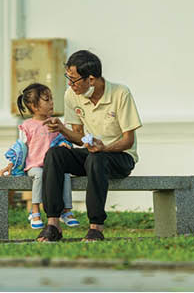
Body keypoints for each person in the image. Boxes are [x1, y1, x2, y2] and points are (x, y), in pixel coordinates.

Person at [36, 49, 142, 242]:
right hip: (92, 154)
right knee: (55, 154)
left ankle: (96, 228)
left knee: (96, 158)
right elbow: (78, 136)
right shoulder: (72, 95)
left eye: (74, 79)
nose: (70, 83)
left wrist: (104, 148)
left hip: (120, 157)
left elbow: (129, 140)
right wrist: (61, 129)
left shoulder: (121, 94)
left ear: (91, 79)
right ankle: (53, 225)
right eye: (68, 77)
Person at [0, 83, 80, 229]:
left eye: (52, 99)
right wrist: (11, 164)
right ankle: (35, 209)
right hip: (35, 165)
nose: (52, 103)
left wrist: (64, 144)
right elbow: (20, 147)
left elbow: (61, 139)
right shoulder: (27, 126)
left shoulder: (55, 123)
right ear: (34, 106)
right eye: (47, 99)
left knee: (66, 174)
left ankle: (66, 210)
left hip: (54, 166)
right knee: (39, 175)